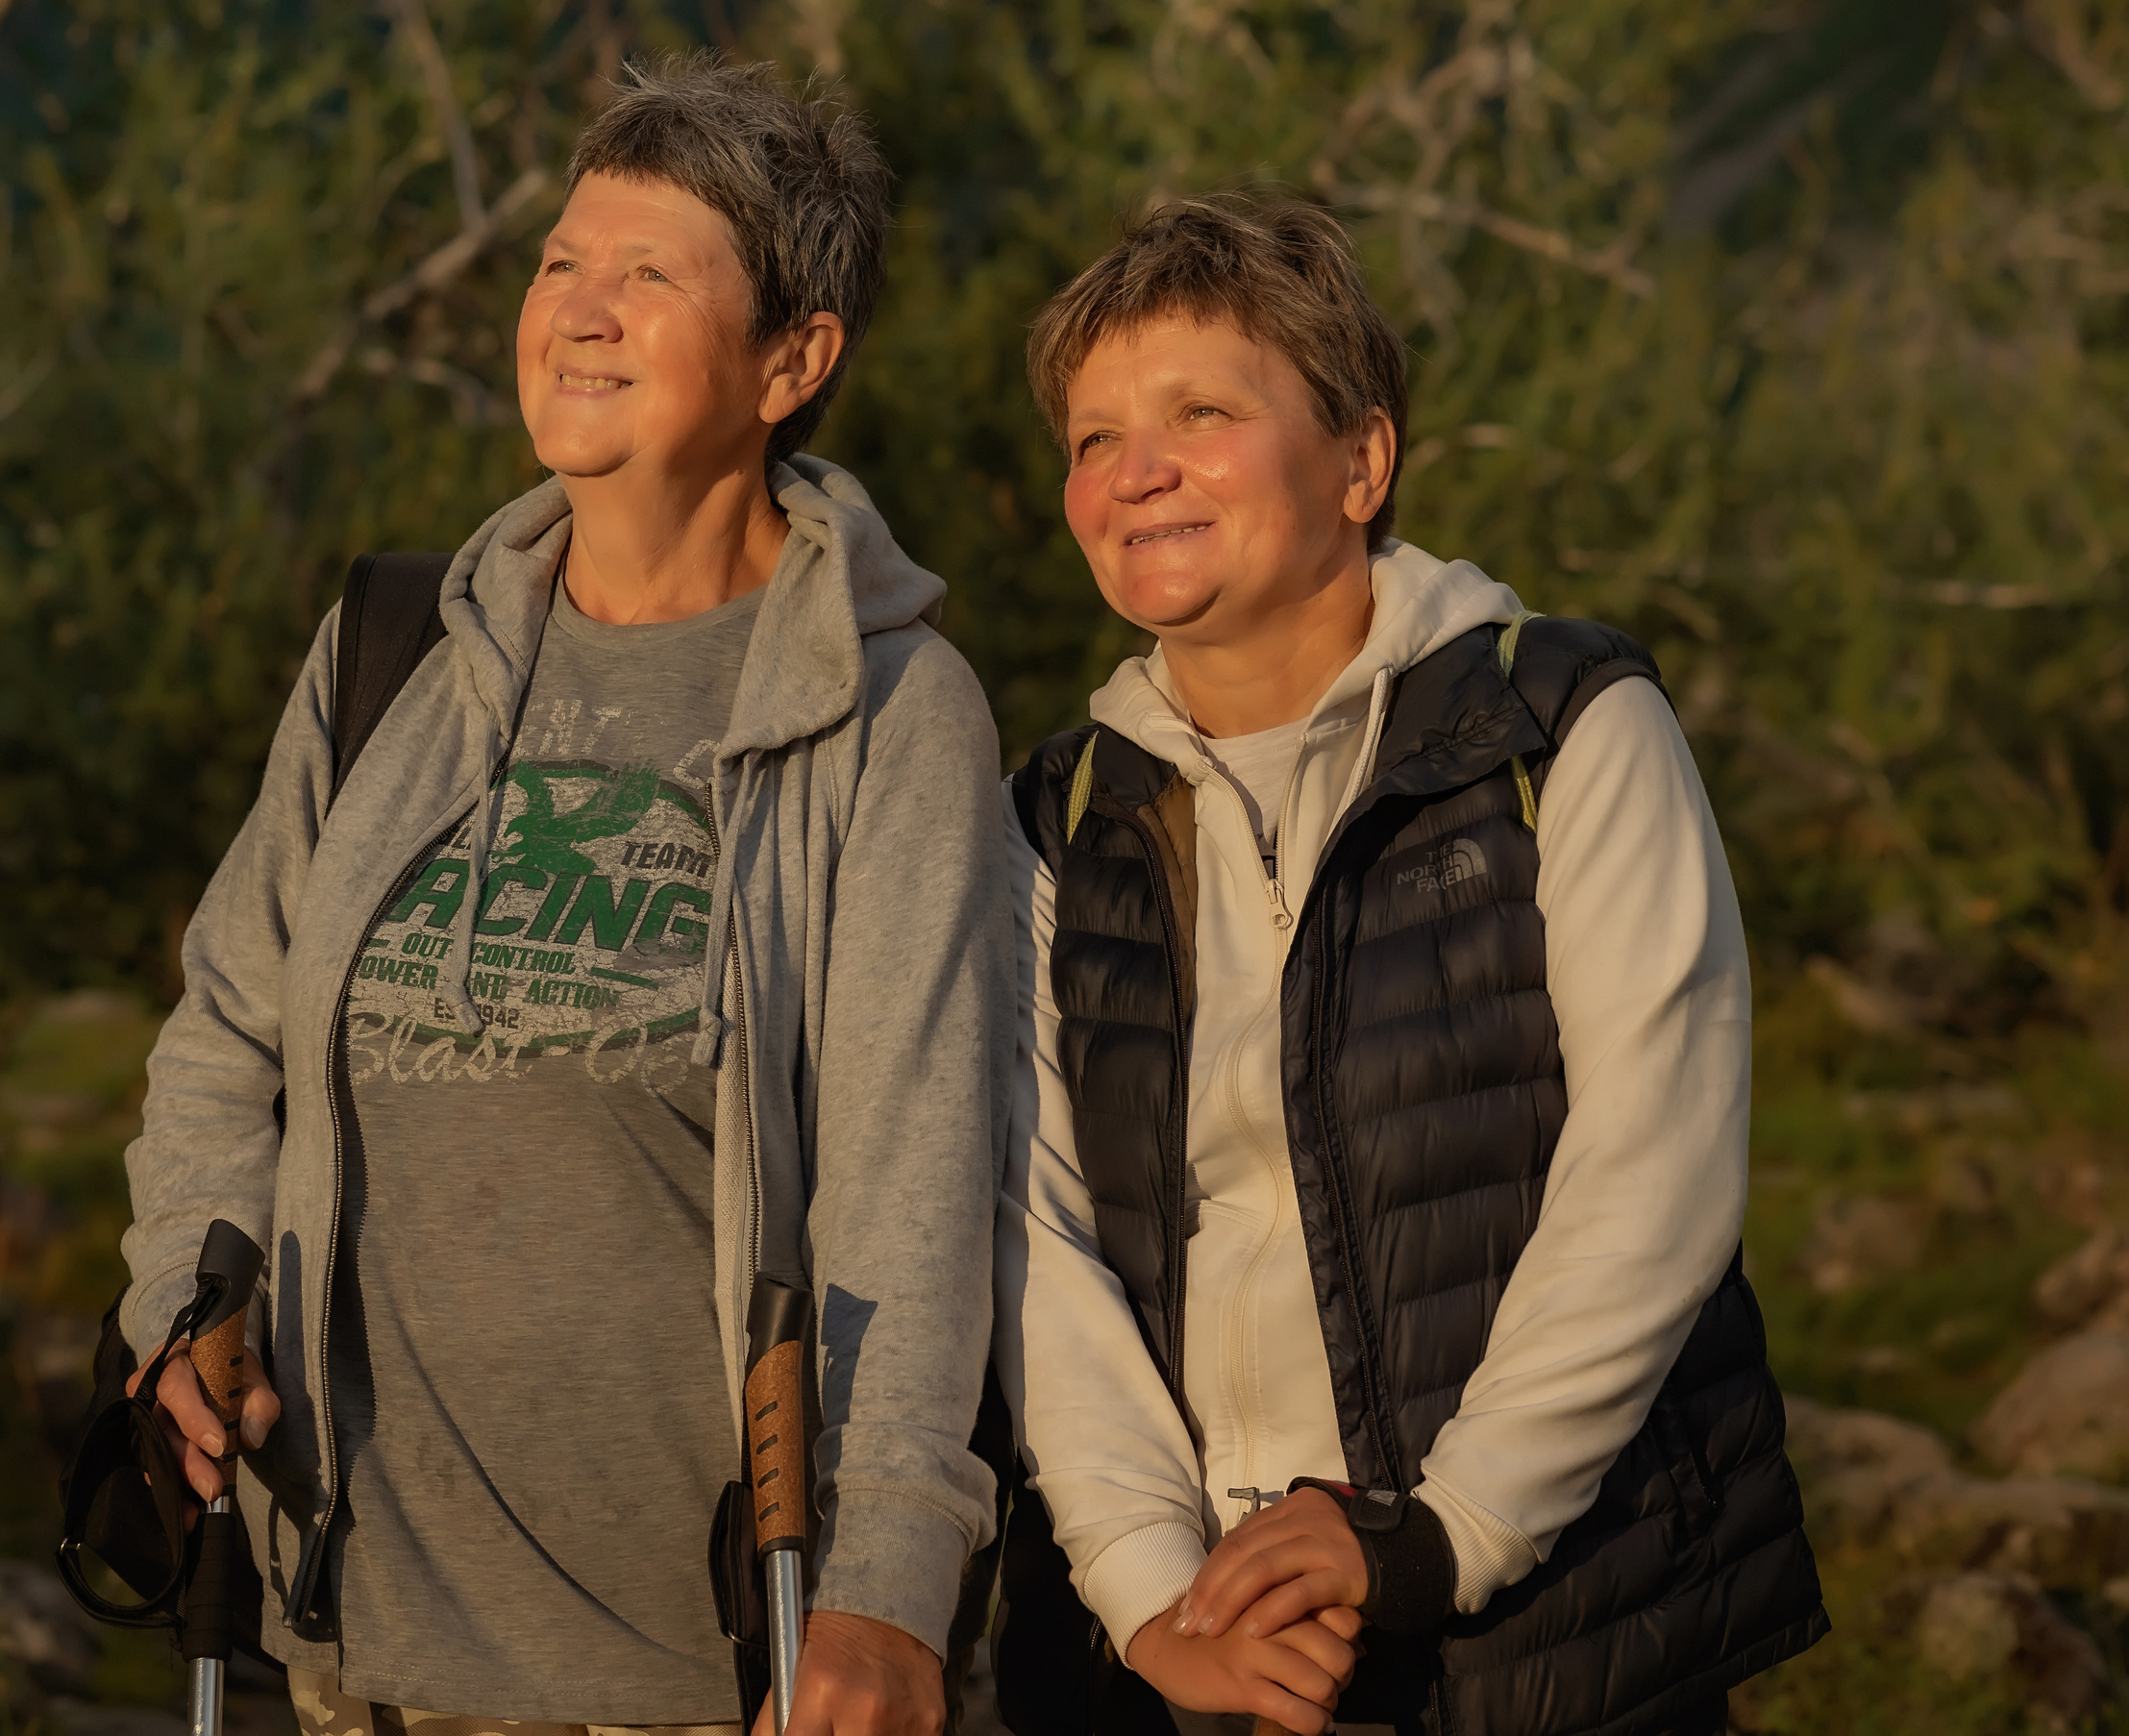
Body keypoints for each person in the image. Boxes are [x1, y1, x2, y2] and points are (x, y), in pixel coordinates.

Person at [119, 57, 1010, 1736]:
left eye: (649, 275)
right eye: (558, 267)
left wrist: (888, 1584)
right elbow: (227, 1034)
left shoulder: (888, 709)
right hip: (354, 1664)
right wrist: (183, 1299)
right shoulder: (397, 654)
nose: (578, 314)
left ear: (794, 360)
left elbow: (915, 1188)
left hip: (702, 1677)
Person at [993, 195, 1828, 1736]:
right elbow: (1035, 1243)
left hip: (1538, 1621)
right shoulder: (1056, 818)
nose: (1136, 471)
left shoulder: (1560, 726)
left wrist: (1440, 1531)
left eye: (1202, 412)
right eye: (1095, 437)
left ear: (1362, 463)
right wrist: (1152, 1588)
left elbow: (1658, 1172)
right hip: (1188, 1648)